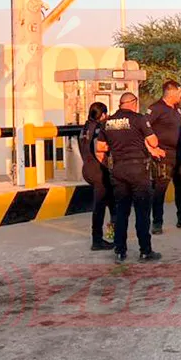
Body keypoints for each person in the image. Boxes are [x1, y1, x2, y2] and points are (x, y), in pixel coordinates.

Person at [95, 92, 167, 263]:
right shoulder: (139, 119)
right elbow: (154, 142)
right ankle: (145, 251)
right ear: (133, 103)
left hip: (118, 170)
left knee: (121, 212)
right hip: (138, 170)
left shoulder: (108, 122)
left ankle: (120, 251)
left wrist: (112, 160)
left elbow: (100, 147)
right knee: (142, 212)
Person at [147, 80, 181, 233]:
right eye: (180, 93)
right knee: (159, 190)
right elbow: (144, 129)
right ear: (171, 92)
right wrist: (152, 149)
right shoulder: (155, 108)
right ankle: (157, 222)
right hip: (164, 156)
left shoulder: (177, 108)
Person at [79, 102, 115, 251]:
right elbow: (98, 149)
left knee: (111, 203)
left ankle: (113, 234)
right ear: (103, 115)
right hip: (99, 171)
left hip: (87, 169)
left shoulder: (85, 127)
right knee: (100, 206)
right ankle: (97, 240)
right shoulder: (99, 129)